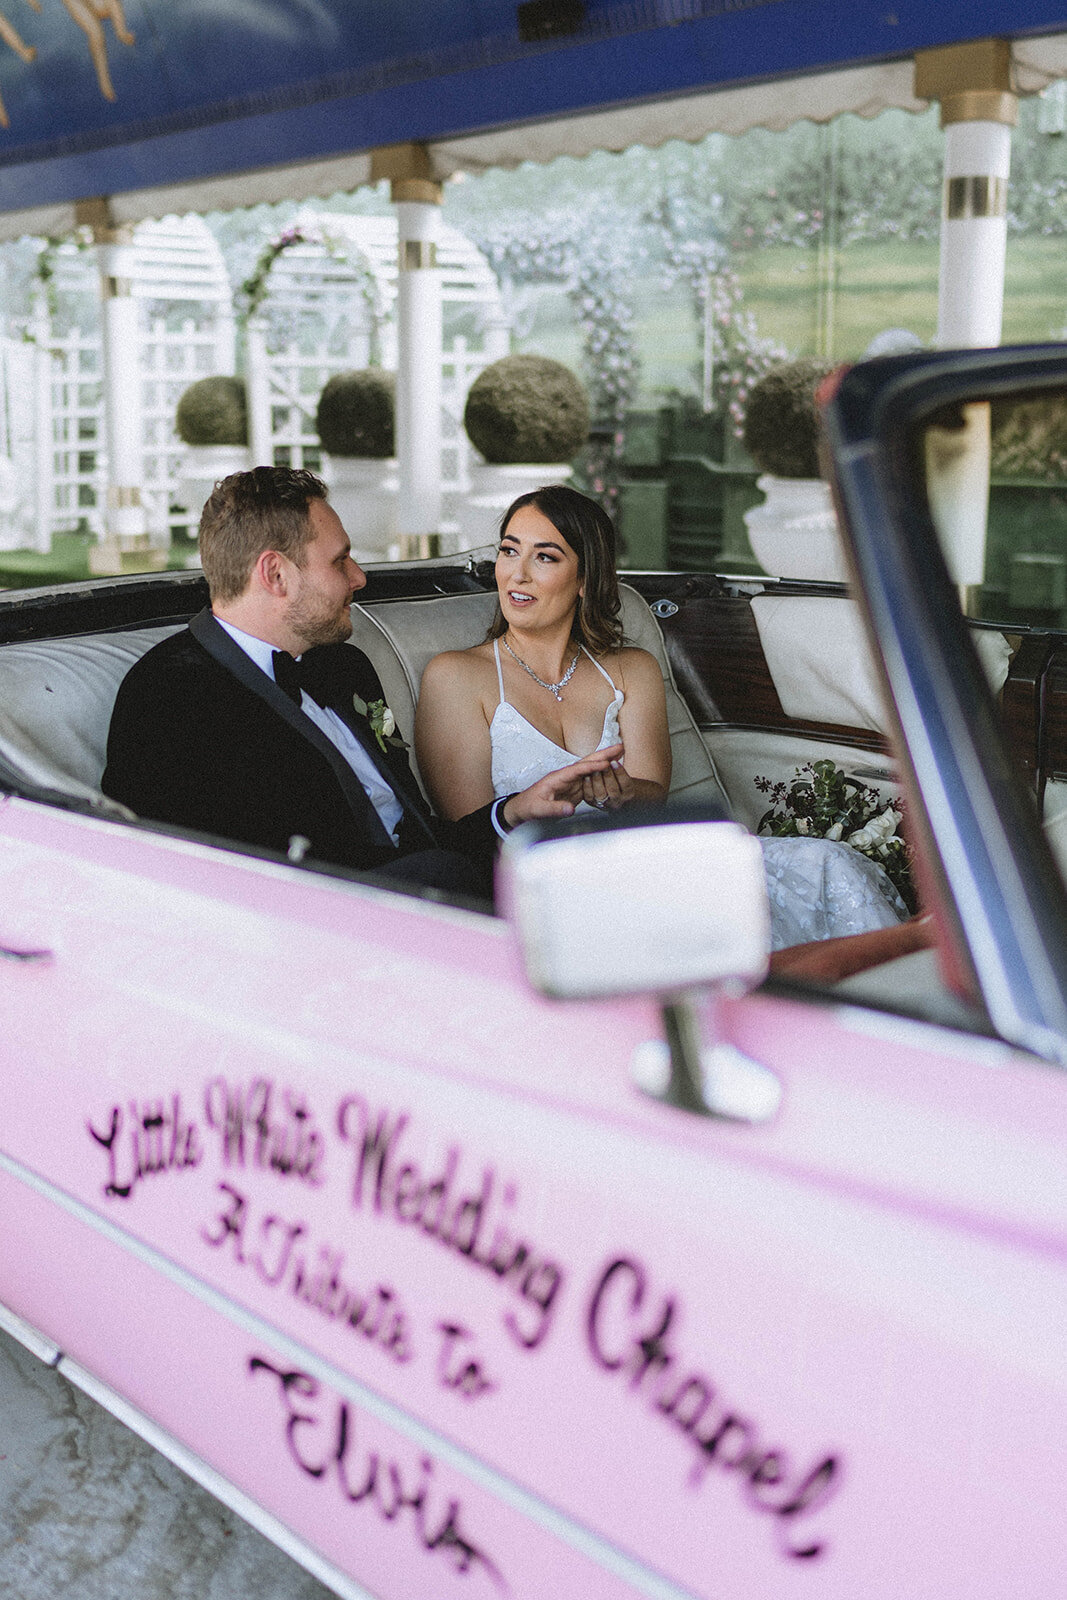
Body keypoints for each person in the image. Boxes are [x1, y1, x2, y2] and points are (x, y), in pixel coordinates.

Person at [415, 484, 931, 975]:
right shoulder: (457, 676)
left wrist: (622, 795)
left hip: (650, 854)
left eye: (545, 557)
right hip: (557, 884)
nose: (517, 574)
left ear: (584, 580)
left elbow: (651, 793)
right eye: (509, 551)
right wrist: (529, 804)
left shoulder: (628, 669)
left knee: (828, 863)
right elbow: (467, 833)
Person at [102, 467, 618, 898]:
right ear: (276, 575)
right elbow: (206, 885)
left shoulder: (344, 668)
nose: (359, 577)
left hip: (431, 890)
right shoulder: (168, 697)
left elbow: (412, 834)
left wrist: (510, 813)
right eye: (339, 560)